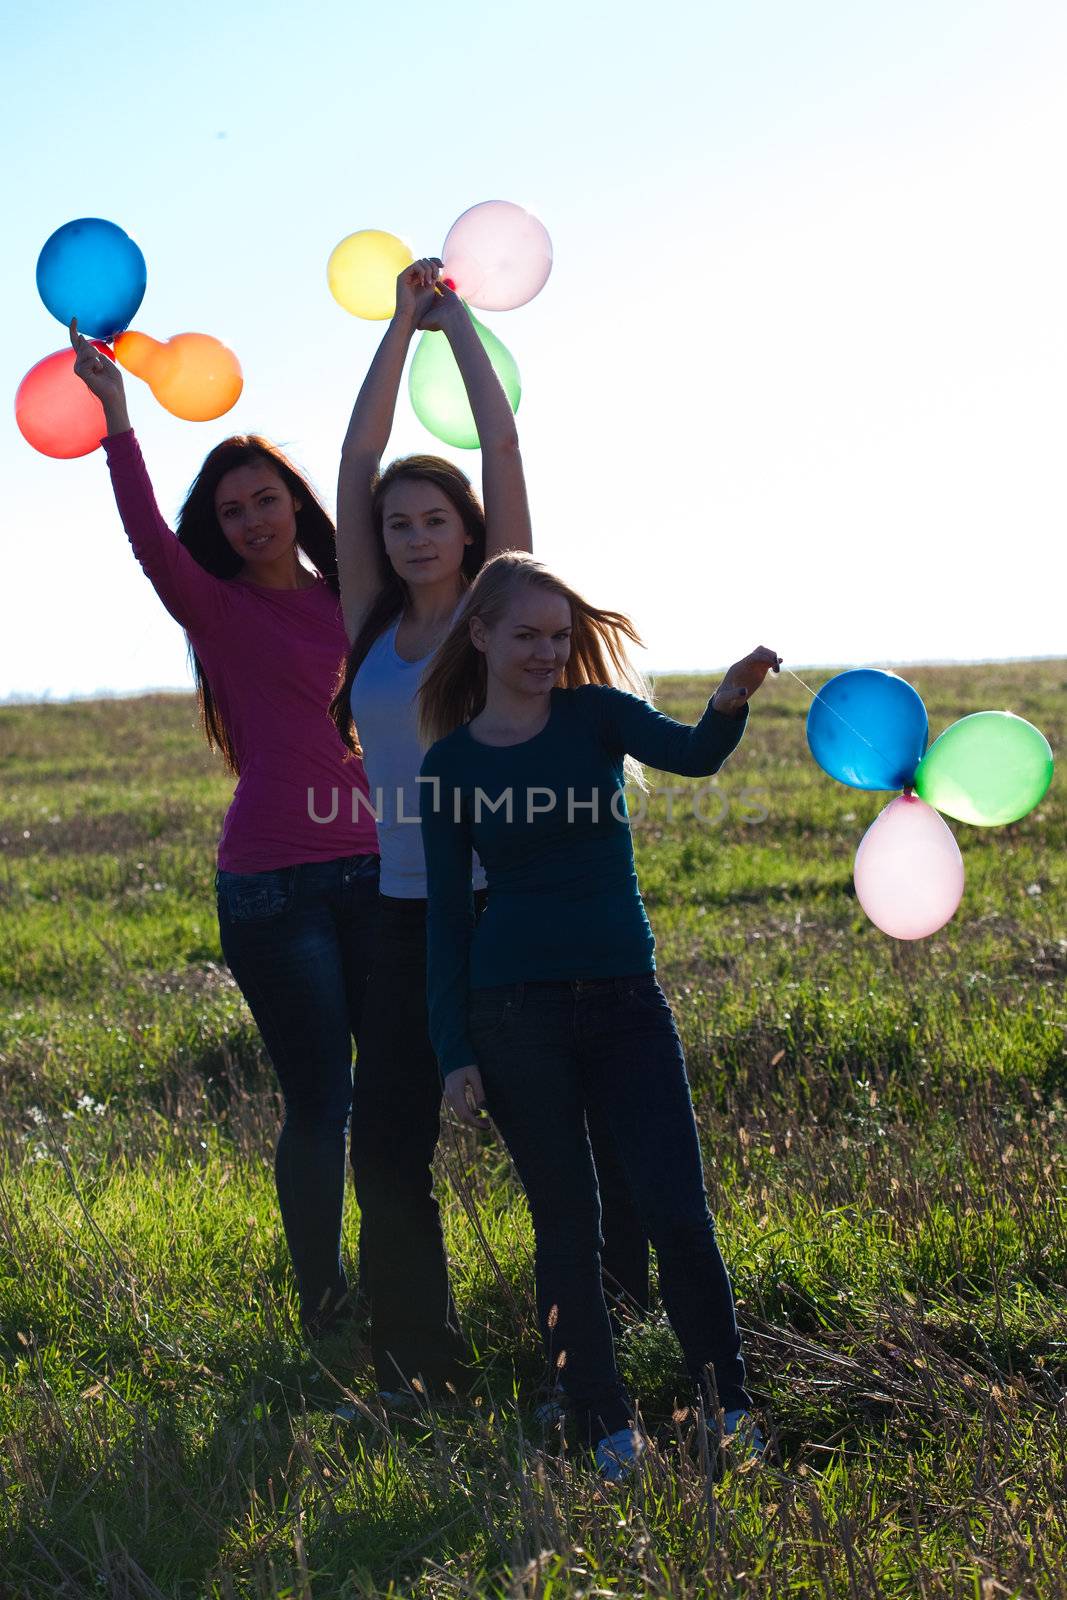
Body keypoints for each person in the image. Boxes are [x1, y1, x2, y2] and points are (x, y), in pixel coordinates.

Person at [328, 260, 649, 1402]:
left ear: (468, 533)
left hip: (502, 908)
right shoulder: (369, 617)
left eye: (434, 519)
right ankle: (418, 1359)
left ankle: (605, 1332)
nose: (414, 535)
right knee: (388, 1145)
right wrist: (393, 328)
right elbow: (355, 463)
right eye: (397, 524)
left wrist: (451, 321)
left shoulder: (490, 608)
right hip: (396, 912)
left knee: (556, 1140)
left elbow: (501, 452)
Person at [417, 551, 780, 1474]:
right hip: (512, 1016)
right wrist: (454, 1048)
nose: (547, 653)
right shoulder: (449, 763)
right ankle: (602, 1425)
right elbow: (448, 923)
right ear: (482, 635)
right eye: (527, 636)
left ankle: (726, 1412)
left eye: (559, 636)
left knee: (676, 1212)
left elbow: (692, 756)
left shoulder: (596, 716)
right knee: (566, 1222)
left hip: (626, 1002)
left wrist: (728, 701)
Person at [69, 320, 380, 1340]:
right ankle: (323, 1306)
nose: (249, 520)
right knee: (319, 1102)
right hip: (272, 889)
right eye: (230, 509)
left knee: (388, 1095)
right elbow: (146, 536)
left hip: (380, 873)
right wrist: (118, 419)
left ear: (296, 502)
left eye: (264, 499)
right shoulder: (211, 609)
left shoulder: (357, 600)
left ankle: (401, 1298)